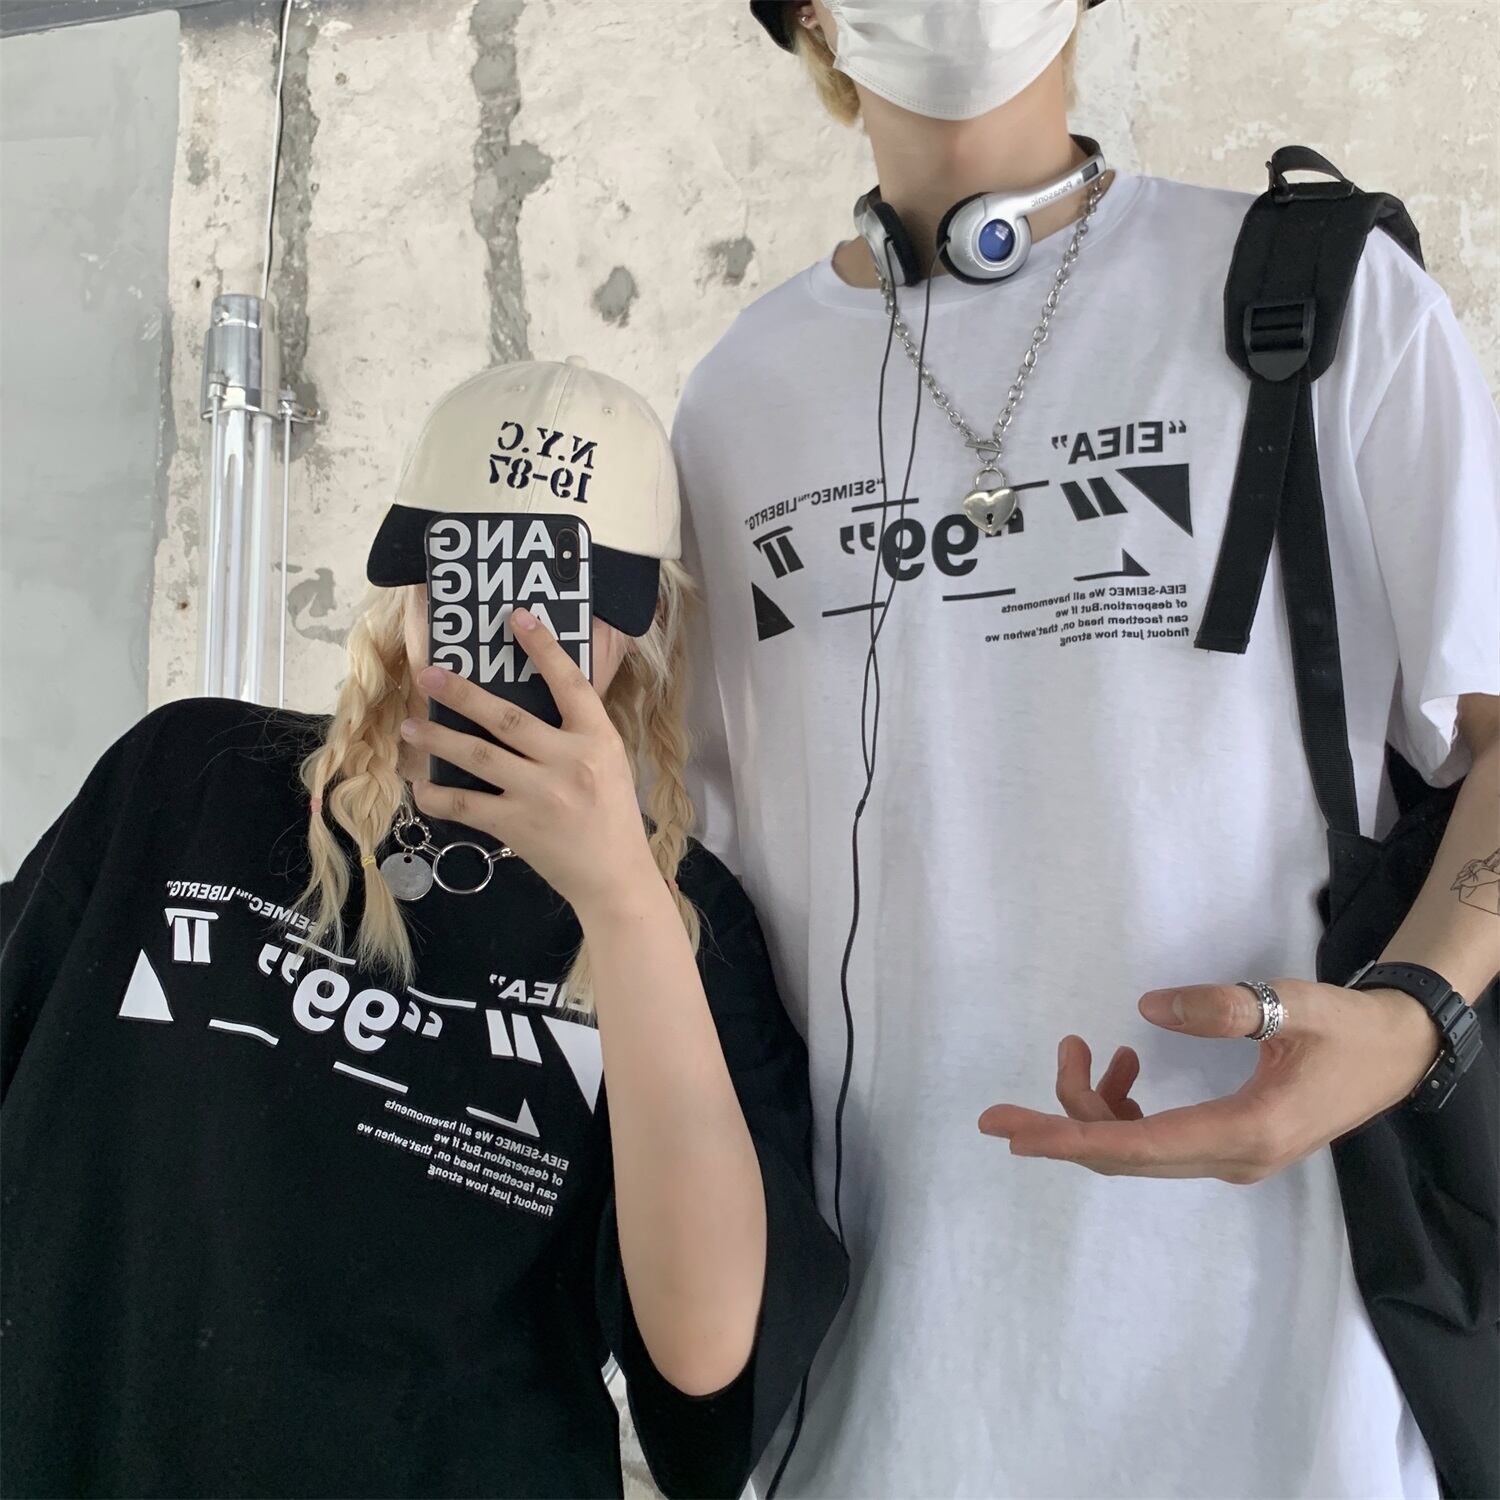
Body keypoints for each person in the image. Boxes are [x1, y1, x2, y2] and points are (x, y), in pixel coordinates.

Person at [675, 1, 1500, 1495]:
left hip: (1287, 1397)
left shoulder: (1325, 298)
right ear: (807, 20)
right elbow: (701, 898)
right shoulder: (741, 399)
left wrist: (1410, 1020)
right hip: (881, 1409)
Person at [0, 358, 847, 1499]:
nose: (517, 625)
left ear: (639, 617)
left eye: (563, 592)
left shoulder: (688, 922)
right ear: (407, 570)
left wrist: (621, 900)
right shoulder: (190, 775)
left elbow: (704, 1375)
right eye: (472, 569)